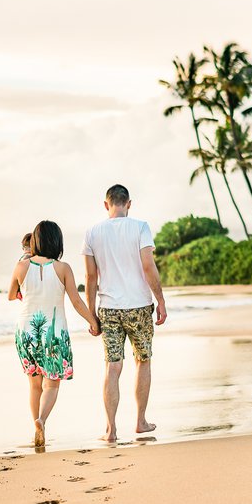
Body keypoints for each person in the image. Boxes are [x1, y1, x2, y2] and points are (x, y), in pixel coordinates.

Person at [82, 184, 167, 442]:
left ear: (106, 204)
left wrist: (91, 315)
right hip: (139, 306)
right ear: (128, 203)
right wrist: (160, 300)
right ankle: (140, 422)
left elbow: (90, 276)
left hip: (108, 308)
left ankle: (111, 429)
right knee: (143, 360)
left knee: (113, 366)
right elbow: (148, 266)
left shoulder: (92, 232)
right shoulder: (140, 227)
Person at [9, 221, 99, 447]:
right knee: (51, 384)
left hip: (26, 331)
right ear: (57, 242)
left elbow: (12, 295)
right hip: (54, 332)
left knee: (34, 385)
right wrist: (93, 321)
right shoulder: (63, 268)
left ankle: (36, 427)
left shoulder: (21, 267)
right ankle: (42, 419)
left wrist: (26, 292)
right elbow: (76, 301)